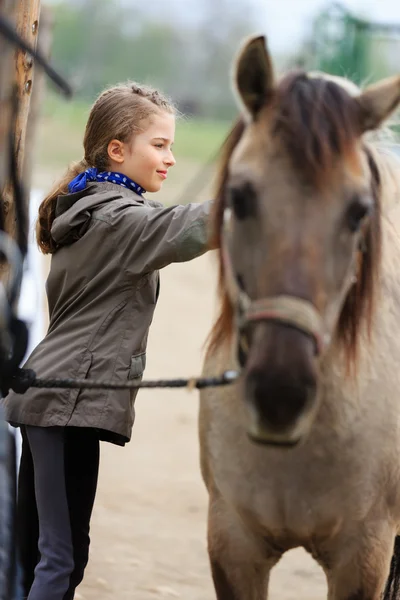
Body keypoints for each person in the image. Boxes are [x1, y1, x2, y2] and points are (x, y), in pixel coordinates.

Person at [2, 81, 215, 600]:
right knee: (59, 561)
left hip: (55, 401)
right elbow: (193, 225)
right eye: (159, 145)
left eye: (170, 145)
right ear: (116, 150)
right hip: (64, 403)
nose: (170, 158)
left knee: (42, 556)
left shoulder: (95, 207)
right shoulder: (118, 219)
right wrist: (264, 192)